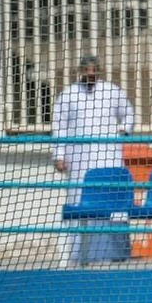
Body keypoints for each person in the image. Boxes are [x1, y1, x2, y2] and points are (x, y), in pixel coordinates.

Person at [51, 53, 136, 265]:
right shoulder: (68, 95)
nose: (90, 74)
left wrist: (124, 129)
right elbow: (58, 127)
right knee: (80, 203)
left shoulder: (112, 91)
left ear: (99, 71)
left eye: (94, 70)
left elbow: (128, 113)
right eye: (86, 71)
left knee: (113, 203)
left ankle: (117, 254)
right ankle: (80, 255)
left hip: (109, 157)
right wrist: (59, 155)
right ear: (79, 72)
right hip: (78, 159)